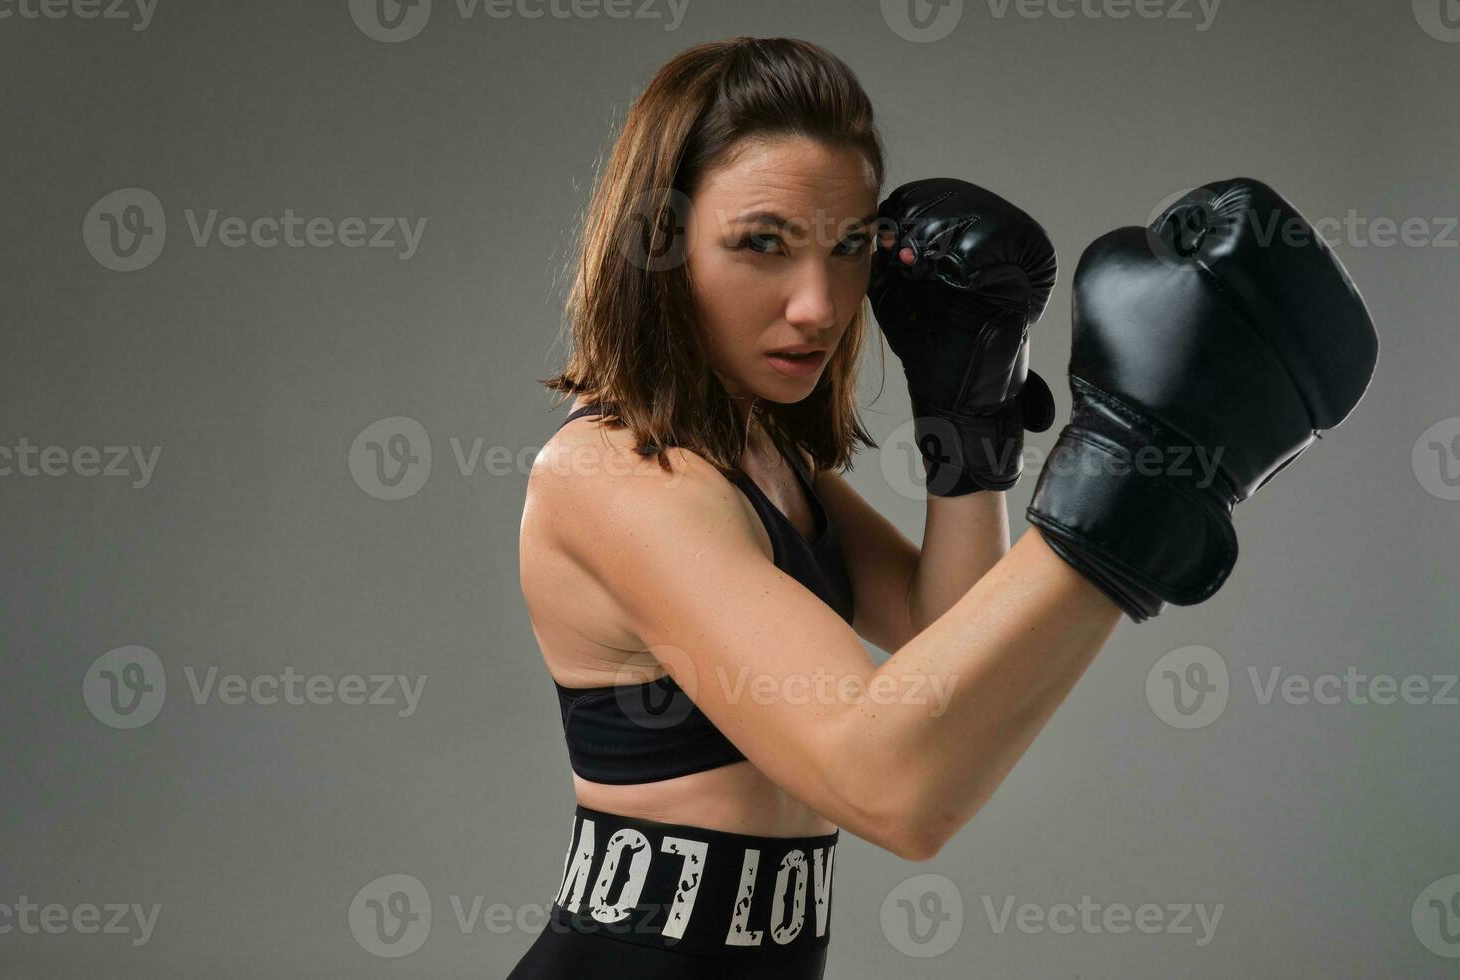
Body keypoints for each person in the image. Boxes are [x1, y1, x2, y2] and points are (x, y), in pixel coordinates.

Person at [508, 36, 1377, 980]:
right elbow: (892, 789)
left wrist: (970, 430)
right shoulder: (612, 476)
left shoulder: (754, 458)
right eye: (762, 244)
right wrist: (1133, 464)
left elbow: (954, 658)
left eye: (848, 247)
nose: (818, 305)